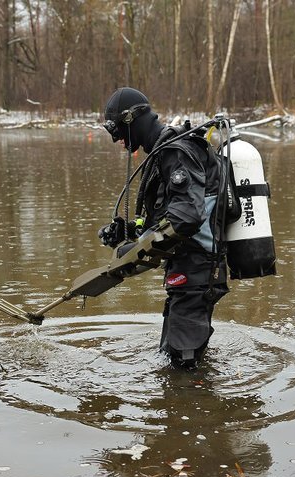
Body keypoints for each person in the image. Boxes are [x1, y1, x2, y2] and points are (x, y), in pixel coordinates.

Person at [98, 87, 230, 367]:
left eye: (119, 130)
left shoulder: (176, 152)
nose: (118, 140)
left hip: (197, 272)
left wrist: (139, 249)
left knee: (184, 368)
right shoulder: (163, 152)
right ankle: (185, 404)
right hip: (186, 273)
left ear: (132, 119)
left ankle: (195, 404)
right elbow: (164, 216)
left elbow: (187, 217)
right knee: (172, 359)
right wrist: (129, 231)